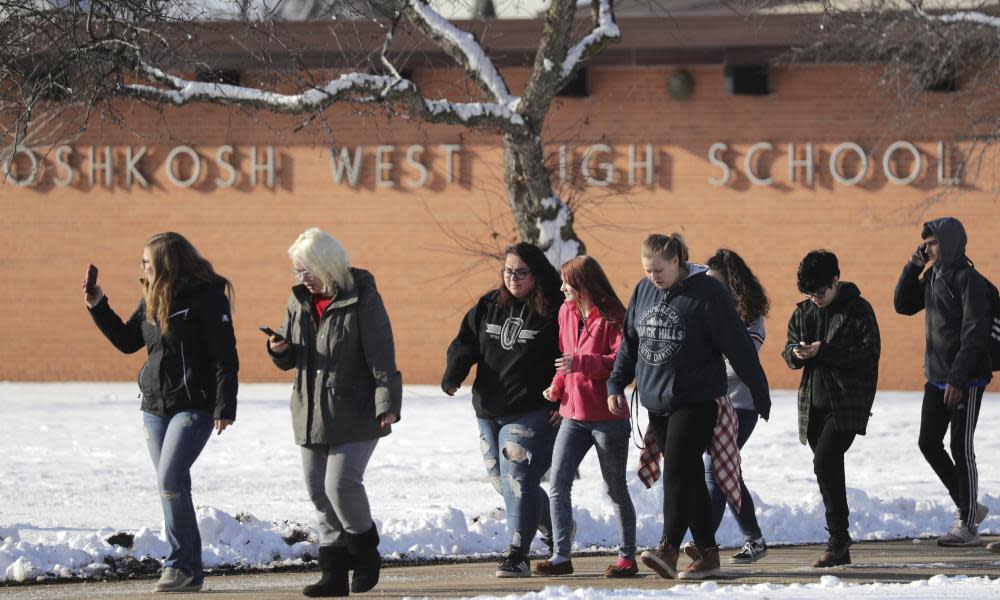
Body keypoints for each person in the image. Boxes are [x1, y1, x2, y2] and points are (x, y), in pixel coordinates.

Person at [608, 233, 770, 581]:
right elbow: (630, 342)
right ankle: (709, 554)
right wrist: (615, 383)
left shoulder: (708, 293)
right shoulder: (643, 290)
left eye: (659, 269)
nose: (654, 276)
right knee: (692, 477)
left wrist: (759, 390)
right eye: (648, 270)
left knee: (679, 468)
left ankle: (668, 548)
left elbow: (738, 344)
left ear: (678, 261)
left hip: (698, 399)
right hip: (657, 401)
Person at [84, 232, 238, 594]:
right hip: (154, 406)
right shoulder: (152, 297)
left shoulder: (207, 298)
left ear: (167, 263)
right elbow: (127, 342)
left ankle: (179, 565)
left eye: (146, 262)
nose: (141, 267)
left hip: (194, 405)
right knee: (171, 486)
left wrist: (224, 405)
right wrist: (98, 305)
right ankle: (190, 571)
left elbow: (225, 356)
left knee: (170, 478)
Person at [267, 228, 402, 597]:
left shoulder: (362, 298)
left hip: (357, 409)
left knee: (340, 485)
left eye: (306, 270)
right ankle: (333, 575)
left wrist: (387, 403)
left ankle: (365, 552)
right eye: (297, 271)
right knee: (318, 493)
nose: (301, 278)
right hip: (311, 412)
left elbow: (381, 353)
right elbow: (291, 356)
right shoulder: (298, 301)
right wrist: (279, 349)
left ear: (326, 266)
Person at [442, 242, 563, 578]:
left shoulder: (555, 310)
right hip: (488, 408)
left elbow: (571, 358)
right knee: (502, 482)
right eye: (508, 271)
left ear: (536, 274)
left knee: (519, 479)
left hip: (533, 409)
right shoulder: (489, 305)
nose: (513, 278)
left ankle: (518, 554)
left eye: (521, 272)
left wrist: (564, 398)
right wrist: (454, 373)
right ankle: (557, 527)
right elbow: (466, 342)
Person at [532, 255, 638, 578]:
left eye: (568, 283)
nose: (562, 288)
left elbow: (618, 364)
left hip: (608, 415)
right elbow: (567, 359)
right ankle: (561, 555)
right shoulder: (566, 312)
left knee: (615, 488)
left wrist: (580, 363)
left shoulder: (614, 317)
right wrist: (556, 386)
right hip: (573, 415)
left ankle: (627, 558)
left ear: (584, 286)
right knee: (558, 483)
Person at [894, 217, 991, 547]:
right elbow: (903, 306)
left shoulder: (968, 280)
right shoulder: (934, 275)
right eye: (925, 243)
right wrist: (912, 267)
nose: (927, 247)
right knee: (927, 442)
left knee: (961, 448)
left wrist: (958, 379)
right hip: (936, 377)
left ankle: (967, 526)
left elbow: (975, 333)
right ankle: (970, 507)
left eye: (932, 242)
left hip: (966, 379)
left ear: (948, 242)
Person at [782, 250, 880, 568]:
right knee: (829, 469)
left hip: (848, 404)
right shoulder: (804, 313)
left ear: (835, 281)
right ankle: (840, 541)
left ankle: (838, 537)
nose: (816, 298)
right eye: (810, 293)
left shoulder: (858, 310)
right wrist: (797, 354)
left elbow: (868, 354)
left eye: (820, 292)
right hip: (814, 405)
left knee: (824, 462)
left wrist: (825, 351)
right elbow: (788, 350)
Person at [703, 249, 770, 564]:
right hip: (711, 402)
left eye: (718, 284)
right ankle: (751, 539)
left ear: (733, 285)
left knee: (717, 468)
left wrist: (706, 357)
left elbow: (741, 362)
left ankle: (706, 544)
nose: (712, 290)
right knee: (725, 470)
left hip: (742, 404)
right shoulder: (707, 310)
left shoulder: (749, 315)